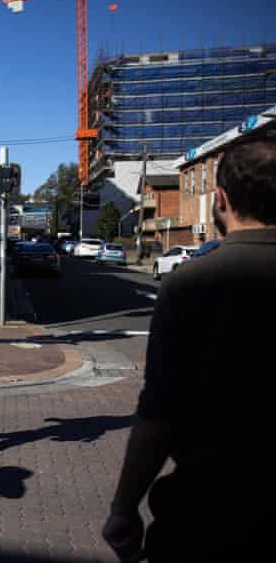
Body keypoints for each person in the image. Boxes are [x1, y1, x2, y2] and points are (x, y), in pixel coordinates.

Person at [102, 138, 274, 562]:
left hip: (214, 508)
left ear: (220, 199)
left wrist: (124, 507)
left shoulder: (194, 282)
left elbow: (160, 412)